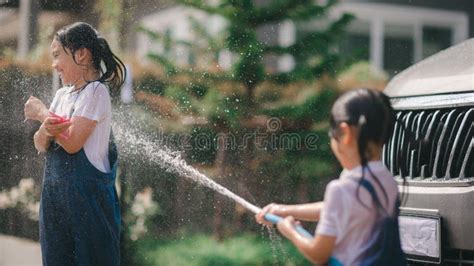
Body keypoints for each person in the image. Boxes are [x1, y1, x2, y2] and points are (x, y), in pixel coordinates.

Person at [256, 88, 406, 265]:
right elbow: (338, 208)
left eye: (332, 134)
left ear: (345, 133)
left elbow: (319, 254)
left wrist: (290, 231)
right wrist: (284, 210)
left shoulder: (341, 189)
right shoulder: (387, 179)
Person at [24, 22, 125, 266]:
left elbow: (72, 143)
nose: (54, 64)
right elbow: (40, 143)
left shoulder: (96, 92)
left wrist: (41, 113)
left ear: (81, 54)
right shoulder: (62, 95)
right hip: (55, 207)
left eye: (58, 55)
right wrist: (46, 127)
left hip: (89, 210)